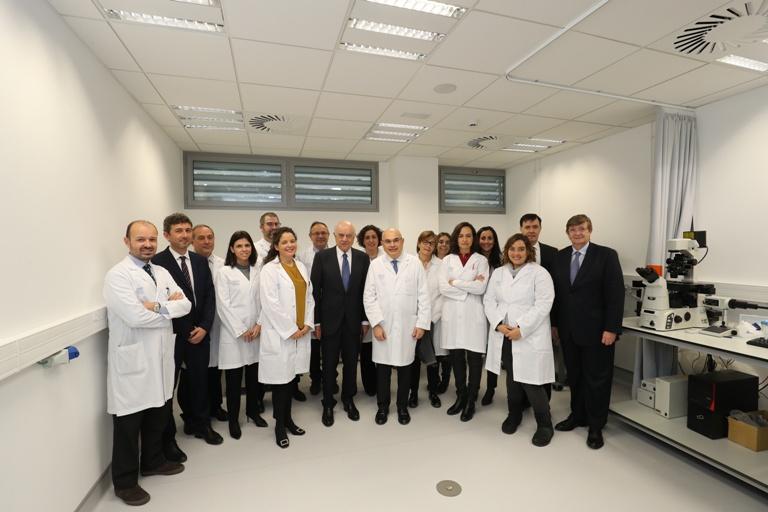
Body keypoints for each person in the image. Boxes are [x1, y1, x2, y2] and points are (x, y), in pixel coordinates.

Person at [104, 220, 191, 506]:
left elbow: (186, 305)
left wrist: (155, 306)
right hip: (134, 359)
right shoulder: (118, 276)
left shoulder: (162, 271)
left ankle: (153, 462)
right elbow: (134, 317)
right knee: (129, 424)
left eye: (152, 239)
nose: (148, 244)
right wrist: (168, 309)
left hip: (160, 356)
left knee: (159, 412)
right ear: (127, 241)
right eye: (141, 239)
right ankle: (125, 482)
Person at [551, 214, 624, 450]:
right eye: (573, 230)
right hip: (568, 330)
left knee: (597, 379)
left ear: (590, 230)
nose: (577, 233)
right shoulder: (560, 257)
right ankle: (577, 415)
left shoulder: (606, 256)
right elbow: (557, 295)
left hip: (597, 332)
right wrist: (554, 324)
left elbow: (615, 295)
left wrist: (611, 328)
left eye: (582, 229)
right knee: (575, 376)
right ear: (567, 233)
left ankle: (596, 425)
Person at [152, 213, 222, 450]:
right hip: (171, 335)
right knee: (168, 388)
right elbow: (159, 301)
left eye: (187, 230)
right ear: (167, 235)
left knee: (200, 383)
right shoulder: (158, 262)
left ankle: (202, 424)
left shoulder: (200, 261)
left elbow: (209, 296)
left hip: (199, 333)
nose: (184, 235)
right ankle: (168, 438)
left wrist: (205, 326)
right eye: (179, 230)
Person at [484, 234, 555, 447]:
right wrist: (498, 323)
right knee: (512, 379)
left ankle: (545, 424)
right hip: (505, 334)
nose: (516, 253)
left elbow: (544, 304)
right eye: (512, 249)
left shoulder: (539, 273)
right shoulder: (499, 273)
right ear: (507, 251)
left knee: (532, 381)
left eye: (521, 249)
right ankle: (514, 414)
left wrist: (522, 328)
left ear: (528, 251)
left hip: (529, 336)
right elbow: (489, 300)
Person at [364, 228, 431, 425]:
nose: (392, 244)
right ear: (382, 244)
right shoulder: (375, 265)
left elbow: (424, 296)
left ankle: (402, 407)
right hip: (383, 326)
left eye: (396, 240)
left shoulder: (414, 263)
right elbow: (369, 297)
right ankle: (382, 407)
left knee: (405, 368)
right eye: (387, 241)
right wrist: (376, 324)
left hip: (407, 326)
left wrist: (422, 324)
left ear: (402, 241)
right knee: (383, 370)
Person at [311, 221, 370, 427]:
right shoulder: (322, 257)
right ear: (334, 236)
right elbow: (315, 292)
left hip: (354, 322)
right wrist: (316, 321)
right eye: (341, 235)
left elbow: (366, 291)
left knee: (351, 364)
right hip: (329, 322)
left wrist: (365, 319)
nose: (345, 239)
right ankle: (328, 403)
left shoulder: (362, 258)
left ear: (354, 237)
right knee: (328, 364)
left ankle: (348, 399)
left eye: (349, 236)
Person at [259, 227, 314, 448]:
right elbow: (270, 304)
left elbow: (309, 298)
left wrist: (308, 323)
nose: (290, 245)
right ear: (276, 246)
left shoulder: (300, 266)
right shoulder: (269, 270)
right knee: (281, 384)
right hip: (281, 335)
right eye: (284, 242)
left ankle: (288, 420)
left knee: (290, 380)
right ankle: (279, 427)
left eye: (292, 241)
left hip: (300, 332)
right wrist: (291, 329)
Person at [215, 231, 268, 440]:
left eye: (247, 245)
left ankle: (253, 412)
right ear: (232, 249)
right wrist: (240, 329)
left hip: (256, 332)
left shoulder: (258, 269)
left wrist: (259, 324)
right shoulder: (224, 272)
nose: (244, 249)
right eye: (239, 246)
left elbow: (265, 300)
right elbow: (223, 304)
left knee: (254, 379)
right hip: (234, 335)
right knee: (234, 381)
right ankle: (233, 420)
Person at [438, 222, 490, 422]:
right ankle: (461, 395)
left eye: (468, 235)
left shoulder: (481, 260)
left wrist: (456, 282)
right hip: (452, 315)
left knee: (475, 360)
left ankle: (471, 400)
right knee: (457, 358)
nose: (465, 239)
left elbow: (481, 288)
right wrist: (468, 288)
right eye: (461, 235)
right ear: (456, 238)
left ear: (473, 238)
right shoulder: (447, 260)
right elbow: (443, 287)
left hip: (473, 315)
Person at [520, 213, 565, 392]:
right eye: (527, 227)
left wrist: (555, 322)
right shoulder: (513, 251)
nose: (531, 231)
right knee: (523, 358)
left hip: (545, 314)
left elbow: (558, 288)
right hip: (521, 315)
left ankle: (545, 394)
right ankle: (524, 395)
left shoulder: (552, 253)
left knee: (544, 357)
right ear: (521, 229)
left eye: (535, 227)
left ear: (540, 228)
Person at [191, 224, 228, 422]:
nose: (207, 241)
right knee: (195, 375)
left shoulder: (223, 264)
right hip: (197, 328)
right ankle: (193, 415)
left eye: (210, 237)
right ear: (192, 241)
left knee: (215, 370)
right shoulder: (189, 264)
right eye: (201, 238)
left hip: (219, 325)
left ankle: (216, 406)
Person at [408, 230, 444, 409]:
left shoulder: (441, 265)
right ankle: (413, 393)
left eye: (432, 243)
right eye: (425, 242)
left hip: (433, 319)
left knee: (432, 358)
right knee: (414, 358)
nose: (428, 246)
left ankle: (433, 392)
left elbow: (442, 294)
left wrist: (429, 319)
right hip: (412, 319)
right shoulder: (409, 263)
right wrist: (417, 318)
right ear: (418, 243)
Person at [298, 221, 330, 396]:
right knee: (314, 348)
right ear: (310, 236)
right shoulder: (302, 256)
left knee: (331, 347)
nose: (320, 236)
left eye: (323, 233)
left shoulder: (336, 254)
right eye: (316, 233)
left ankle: (330, 379)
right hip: (311, 307)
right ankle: (316, 380)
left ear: (329, 235)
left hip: (331, 307)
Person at [357, 224, 383, 396]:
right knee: (366, 351)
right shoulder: (359, 259)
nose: (371, 240)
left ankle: (382, 385)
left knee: (382, 352)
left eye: (374, 237)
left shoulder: (385, 258)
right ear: (362, 241)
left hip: (383, 313)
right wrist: (363, 318)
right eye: (367, 237)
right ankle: (370, 386)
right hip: (363, 312)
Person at [477, 226, 502, 406]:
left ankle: (491, 388)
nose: (486, 241)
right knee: (477, 352)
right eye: (483, 238)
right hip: (477, 309)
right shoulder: (473, 259)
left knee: (493, 352)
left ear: (495, 241)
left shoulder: (501, 261)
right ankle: (474, 386)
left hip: (495, 312)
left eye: (490, 238)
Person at [434, 231, 453, 393]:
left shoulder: (453, 262)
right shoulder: (431, 262)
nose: (444, 245)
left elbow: (451, 287)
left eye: (447, 242)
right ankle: (435, 380)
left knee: (446, 350)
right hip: (432, 311)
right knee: (434, 349)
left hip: (448, 310)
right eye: (441, 241)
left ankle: (445, 380)